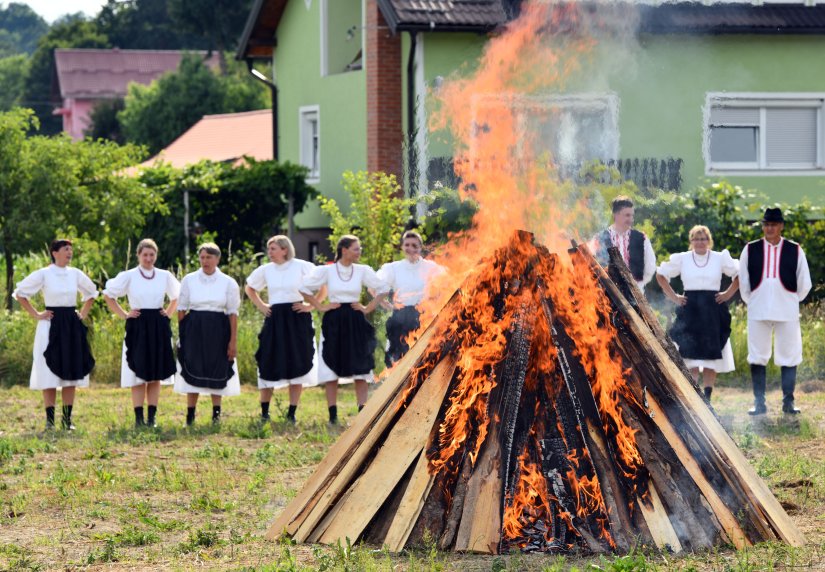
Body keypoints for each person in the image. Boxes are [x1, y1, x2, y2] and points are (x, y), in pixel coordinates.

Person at [300, 235, 389, 425]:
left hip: (355, 319)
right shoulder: (328, 270)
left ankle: (362, 415)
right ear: (344, 250)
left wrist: (367, 308)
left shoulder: (362, 270)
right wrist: (320, 306)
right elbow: (303, 287)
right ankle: (333, 416)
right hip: (334, 318)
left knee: (361, 365)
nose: (359, 252)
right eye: (356, 248)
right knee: (331, 363)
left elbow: (383, 288)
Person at [13, 239, 98, 430]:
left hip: (71, 324)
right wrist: (36, 314)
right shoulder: (44, 273)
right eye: (66, 249)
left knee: (71, 371)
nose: (69, 253)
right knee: (48, 372)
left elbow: (92, 293)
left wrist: (82, 314)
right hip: (50, 323)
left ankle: (67, 421)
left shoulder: (75, 273)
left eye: (71, 250)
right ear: (54, 252)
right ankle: (50, 422)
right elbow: (20, 293)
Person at [739, 208, 812, 415]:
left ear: (781, 226)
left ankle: (788, 402)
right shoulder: (750, 249)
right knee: (757, 355)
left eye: (773, 224)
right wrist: (753, 300)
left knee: (789, 354)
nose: (769, 228)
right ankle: (759, 403)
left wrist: (789, 300)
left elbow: (804, 283)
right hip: (758, 309)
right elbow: (743, 281)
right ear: (763, 226)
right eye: (766, 224)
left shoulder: (795, 249)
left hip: (786, 310)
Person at [103, 239, 180, 428]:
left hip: (158, 325)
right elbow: (108, 295)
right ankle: (139, 419)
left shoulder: (164, 275)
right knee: (137, 373)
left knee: (155, 374)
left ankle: (151, 418)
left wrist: (168, 314)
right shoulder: (129, 275)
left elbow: (178, 296)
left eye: (151, 255)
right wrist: (125, 314)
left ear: (156, 255)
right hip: (137, 324)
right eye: (145, 255)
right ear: (138, 255)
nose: (148, 258)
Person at [656, 226, 739, 400]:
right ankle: (694, 397)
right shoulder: (683, 259)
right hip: (691, 309)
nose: (700, 242)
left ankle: (707, 398)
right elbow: (661, 275)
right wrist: (675, 297)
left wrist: (727, 294)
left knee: (711, 359)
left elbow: (739, 274)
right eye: (696, 239)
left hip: (712, 310)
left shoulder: (719, 258)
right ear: (691, 241)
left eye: (703, 239)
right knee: (691, 358)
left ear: (708, 241)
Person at [245, 235, 317, 424]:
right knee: (267, 360)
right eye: (269, 249)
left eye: (273, 249)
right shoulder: (266, 270)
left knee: (298, 362)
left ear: (285, 249)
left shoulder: (302, 266)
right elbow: (250, 288)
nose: (270, 252)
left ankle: (291, 413)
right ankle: (264, 413)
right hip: (275, 317)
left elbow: (322, 286)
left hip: (297, 317)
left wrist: (311, 306)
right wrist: (261, 306)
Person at [174, 243, 241, 425]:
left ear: (217, 259)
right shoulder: (189, 279)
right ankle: (190, 416)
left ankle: (216, 416)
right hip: (194, 328)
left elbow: (232, 313)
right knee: (192, 366)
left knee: (216, 368)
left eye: (209, 257)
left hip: (219, 329)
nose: (205, 261)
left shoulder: (228, 282)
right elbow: (181, 308)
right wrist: (184, 334)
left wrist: (232, 341)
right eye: (202, 257)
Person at [377, 230, 445, 367]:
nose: (411, 248)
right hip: (400, 319)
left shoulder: (431, 267)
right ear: (402, 247)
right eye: (407, 245)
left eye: (414, 245)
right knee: (398, 361)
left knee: (424, 361)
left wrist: (437, 303)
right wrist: (388, 306)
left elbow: (447, 283)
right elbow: (374, 286)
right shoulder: (393, 268)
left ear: (420, 247)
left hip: (423, 318)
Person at [592, 195, 657, 289]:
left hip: (637, 296)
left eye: (632, 215)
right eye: (627, 215)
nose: (631, 219)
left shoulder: (642, 238)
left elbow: (650, 267)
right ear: (615, 215)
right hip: (608, 295)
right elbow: (593, 266)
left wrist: (638, 286)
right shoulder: (599, 238)